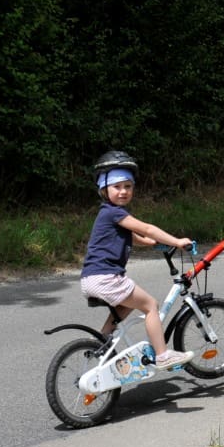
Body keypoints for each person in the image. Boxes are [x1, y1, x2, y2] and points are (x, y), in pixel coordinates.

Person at [81, 150, 195, 370]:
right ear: (104, 190)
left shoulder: (108, 214)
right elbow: (147, 228)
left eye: (128, 186)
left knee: (126, 306)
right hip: (106, 277)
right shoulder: (114, 212)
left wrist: (151, 243)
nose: (123, 191)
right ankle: (163, 356)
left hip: (91, 279)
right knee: (151, 306)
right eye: (117, 187)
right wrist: (177, 241)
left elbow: (133, 236)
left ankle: (102, 340)